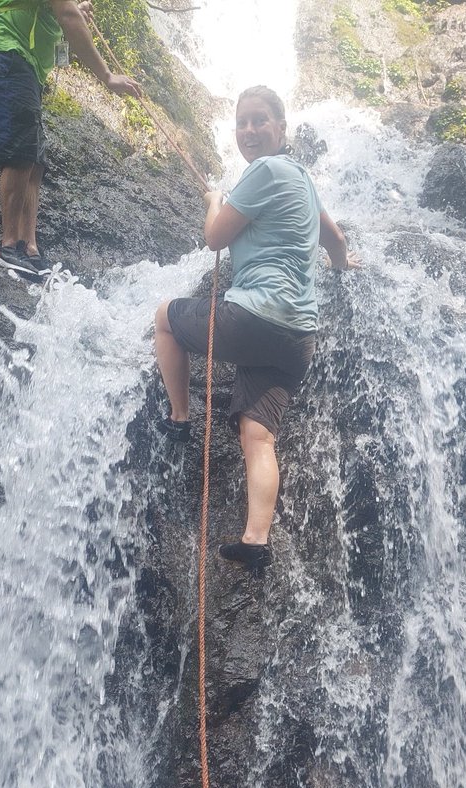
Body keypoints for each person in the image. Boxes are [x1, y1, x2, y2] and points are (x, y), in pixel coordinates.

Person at [154, 85, 360, 574]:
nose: (249, 130)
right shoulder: (305, 181)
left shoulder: (264, 170)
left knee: (164, 315)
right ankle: (256, 540)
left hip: (254, 315)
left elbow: (214, 237)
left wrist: (213, 199)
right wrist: (344, 265)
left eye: (260, 120)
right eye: (242, 122)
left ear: (281, 129)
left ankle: (179, 420)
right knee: (258, 434)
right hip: (296, 338)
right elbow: (335, 239)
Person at [0, 0, 141, 276]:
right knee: (21, 153)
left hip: (25, 66)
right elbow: (67, 15)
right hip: (6, 54)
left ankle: (29, 247)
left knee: (35, 161)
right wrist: (107, 77)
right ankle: (9, 245)